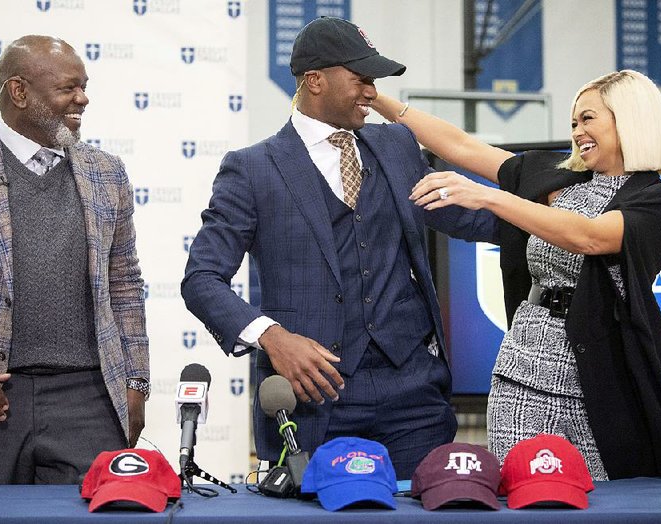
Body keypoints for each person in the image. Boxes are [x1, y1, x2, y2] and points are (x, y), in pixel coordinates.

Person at [181, 17, 497, 479]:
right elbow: (202, 279)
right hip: (315, 401)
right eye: (361, 79)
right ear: (315, 81)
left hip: (414, 396)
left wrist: (554, 218)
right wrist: (272, 337)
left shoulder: (396, 145)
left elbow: (464, 217)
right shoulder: (251, 169)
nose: (373, 92)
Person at [372, 70, 661, 480]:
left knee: (603, 499)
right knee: (525, 493)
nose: (577, 132)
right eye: (574, 122)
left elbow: (590, 237)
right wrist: (379, 101)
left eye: (589, 119)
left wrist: (490, 197)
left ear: (629, 119)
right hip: (523, 369)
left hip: (601, 383)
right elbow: (460, 145)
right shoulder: (554, 176)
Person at [0, 35, 149, 487]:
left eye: (84, 86)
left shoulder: (107, 172)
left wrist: (137, 382)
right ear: (19, 91)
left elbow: (125, 283)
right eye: (69, 87)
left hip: (89, 401)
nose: (82, 99)